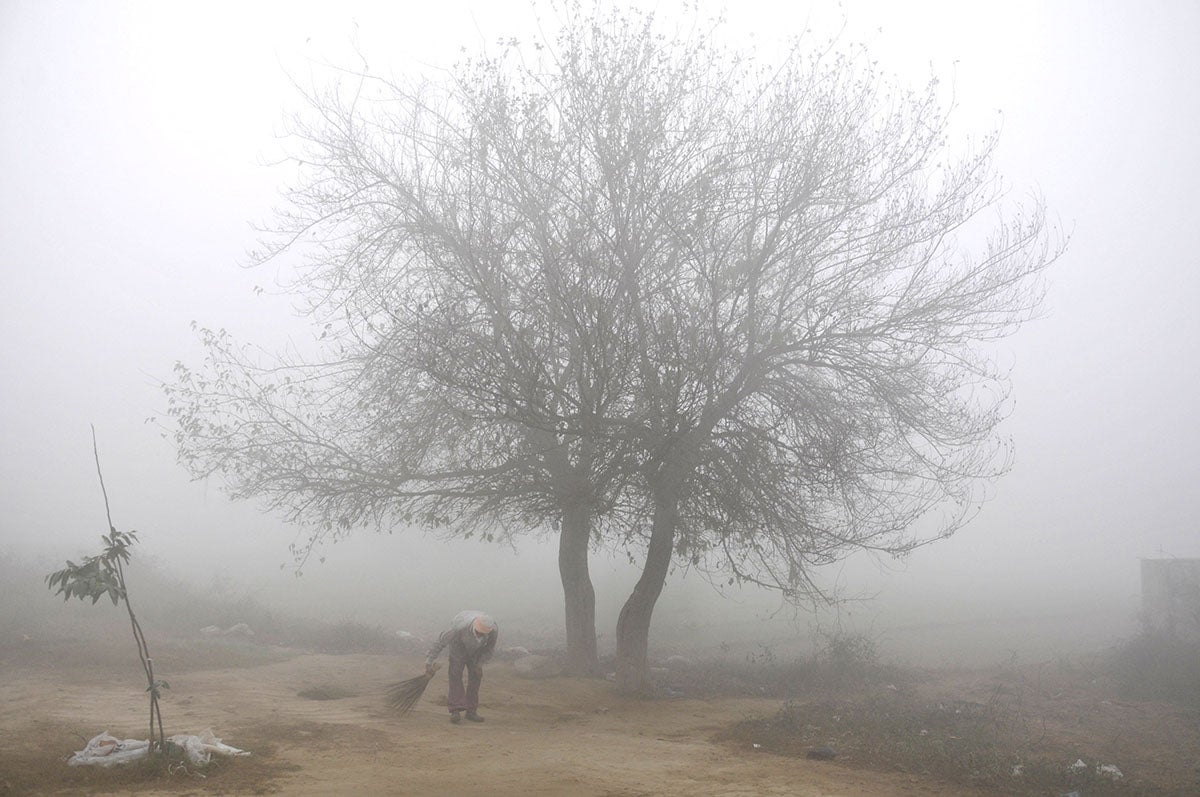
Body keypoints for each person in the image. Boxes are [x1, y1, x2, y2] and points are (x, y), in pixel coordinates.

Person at [425, 610, 498, 724]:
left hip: (477, 651)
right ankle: (455, 710)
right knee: (455, 676)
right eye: (479, 632)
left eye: (484, 634)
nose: (481, 635)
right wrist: (429, 660)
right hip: (458, 648)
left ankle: (471, 711)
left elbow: (489, 648)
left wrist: (480, 664)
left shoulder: (493, 629)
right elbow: (440, 642)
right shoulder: (459, 628)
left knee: (475, 678)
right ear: (474, 627)